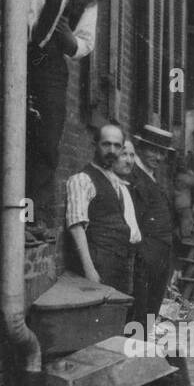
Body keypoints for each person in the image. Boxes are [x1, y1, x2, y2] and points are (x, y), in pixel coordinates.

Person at [27, 0, 114, 234]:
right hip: (30, 55)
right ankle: (29, 217)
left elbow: (85, 43)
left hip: (51, 62)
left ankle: (36, 218)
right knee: (31, 137)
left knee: (47, 139)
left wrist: (68, 40)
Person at [65, 123, 141, 295]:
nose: (112, 150)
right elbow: (76, 226)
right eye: (106, 144)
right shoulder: (83, 179)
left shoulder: (114, 179)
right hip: (98, 265)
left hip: (119, 264)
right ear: (95, 145)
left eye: (117, 146)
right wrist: (89, 270)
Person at [122, 133, 186, 326]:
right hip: (145, 253)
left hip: (160, 252)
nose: (158, 157)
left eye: (162, 153)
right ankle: (136, 349)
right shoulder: (134, 176)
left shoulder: (152, 175)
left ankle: (143, 347)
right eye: (153, 151)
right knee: (140, 308)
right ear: (140, 148)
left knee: (152, 307)